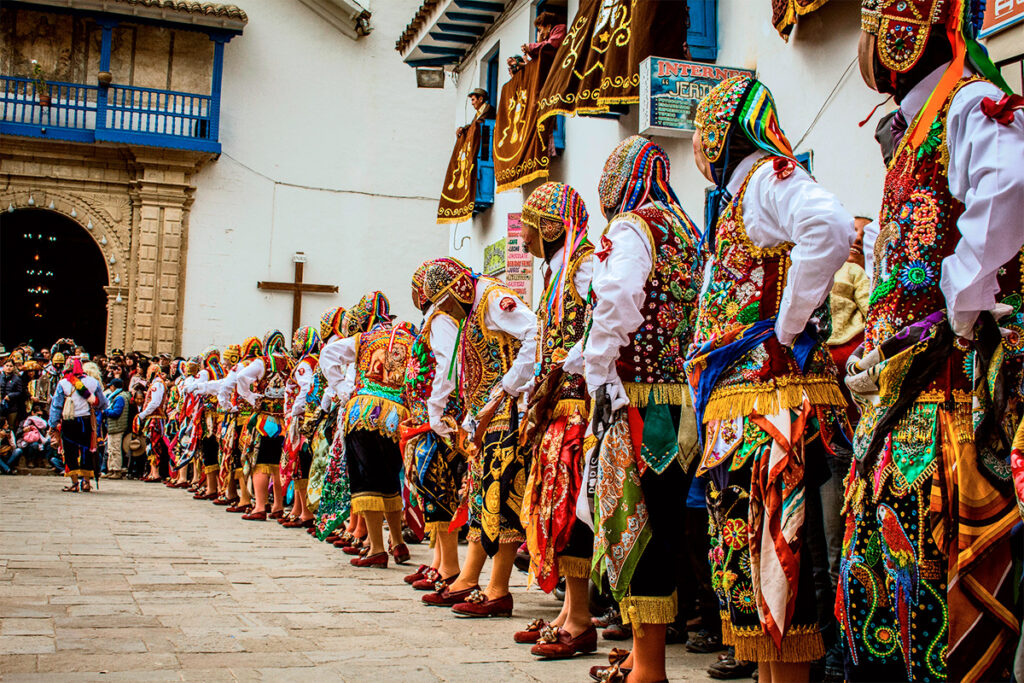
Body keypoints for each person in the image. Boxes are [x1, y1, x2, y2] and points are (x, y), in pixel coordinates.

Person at [838, 2, 1024, 681]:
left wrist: (960, 301)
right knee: (890, 600)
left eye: (870, 24)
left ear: (900, 34)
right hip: (903, 411)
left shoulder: (970, 104)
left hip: (947, 411)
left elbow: (1009, 187)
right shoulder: (918, 128)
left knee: (938, 600)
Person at [686, 75, 854, 683]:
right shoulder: (747, 192)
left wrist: (784, 330)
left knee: (769, 554)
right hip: (750, 405)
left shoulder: (764, 180)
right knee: (753, 554)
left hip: (768, 407)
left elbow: (832, 227)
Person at [575, 135, 703, 683]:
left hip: (639, 402)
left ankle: (649, 668)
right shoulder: (689, 231)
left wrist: (598, 369)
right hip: (678, 403)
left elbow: (617, 301)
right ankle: (640, 655)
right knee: (663, 519)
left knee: (638, 520)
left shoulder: (634, 227)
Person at [419, 258, 538, 617]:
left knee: (502, 498)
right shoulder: (473, 310)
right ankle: (470, 578)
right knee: (481, 499)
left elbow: (536, 333)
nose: (446, 312)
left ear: (456, 289)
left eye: (445, 302)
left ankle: (498, 588)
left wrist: (509, 385)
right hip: (489, 417)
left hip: (508, 413)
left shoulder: (494, 300)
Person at [511, 182, 597, 659]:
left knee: (570, 503)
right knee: (555, 504)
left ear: (550, 225)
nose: (523, 235)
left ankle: (581, 615)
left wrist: (570, 363)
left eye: (528, 225)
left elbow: (600, 319)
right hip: (557, 404)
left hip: (577, 406)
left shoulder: (584, 264)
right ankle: (569, 613)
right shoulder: (557, 271)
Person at [320, 292, 415, 568]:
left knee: (366, 479)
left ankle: (375, 548)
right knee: (389, 480)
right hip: (397, 416)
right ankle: (397, 542)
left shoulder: (363, 340)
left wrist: (342, 388)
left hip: (364, 413)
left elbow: (328, 354)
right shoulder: (409, 338)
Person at [401, 264, 465, 592]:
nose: (414, 292)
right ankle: (439, 561)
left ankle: (450, 566)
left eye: (417, 286)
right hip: (426, 420)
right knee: (430, 489)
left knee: (440, 488)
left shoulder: (440, 320)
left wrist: (435, 409)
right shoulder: (431, 321)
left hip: (440, 420)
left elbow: (448, 363)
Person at [235, 330, 294, 521]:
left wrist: (251, 397)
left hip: (264, 420)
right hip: (284, 421)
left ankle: (260, 506)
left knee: (259, 463)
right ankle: (277, 505)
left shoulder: (263, 361)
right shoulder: (291, 362)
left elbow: (241, 377)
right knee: (279, 463)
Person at [279, 325, 322, 528]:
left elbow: (306, 387)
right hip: (308, 418)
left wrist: (295, 410)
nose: (295, 345)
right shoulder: (317, 360)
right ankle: (298, 508)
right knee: (299, 465)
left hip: (302, 420)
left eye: (297, 341)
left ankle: (305, 512)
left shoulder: (305, 363)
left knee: (301, 464)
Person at [48, 357, 107, 493]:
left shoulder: (63, 383)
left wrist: (53, 424)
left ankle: (74, 483)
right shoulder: (93, 382)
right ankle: (86, 482)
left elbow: (56, 406)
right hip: (86, 421)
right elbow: (102, 403)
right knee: (87, 450)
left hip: (69, 421)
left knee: (70, 451)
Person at [102, 378, 128, 479]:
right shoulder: (118, 396)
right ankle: (111, 468)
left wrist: (106, 411)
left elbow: (116, 412)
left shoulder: (119, 398)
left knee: (115, 449)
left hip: (117, 426)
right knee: (111, 449)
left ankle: (116, 470)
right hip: (114, 426)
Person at [1, 358, 25, 429]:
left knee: (10, 426)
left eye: (10, 366)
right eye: (7, 365)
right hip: (1, 406)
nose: (8, 368)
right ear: (3, 366)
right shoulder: (0, 377)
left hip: (12, 407)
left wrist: (10, 396)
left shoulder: (17, 379)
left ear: (13, 367)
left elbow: (20, 392)